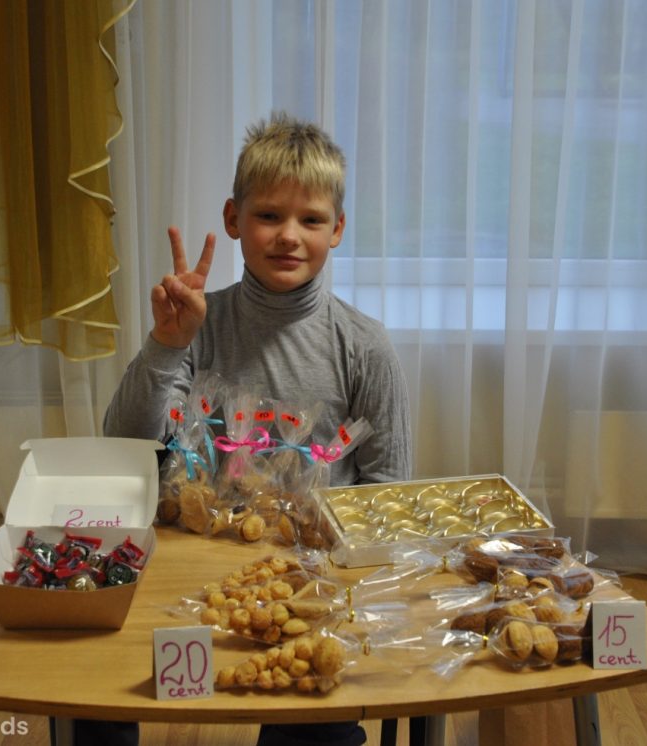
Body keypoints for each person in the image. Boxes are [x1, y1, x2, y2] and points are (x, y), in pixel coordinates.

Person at [91, 112, 413, 746]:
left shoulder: (365, 347)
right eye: (269, 215)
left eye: (311, 220)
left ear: (337, 229)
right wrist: (166, 344)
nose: (289, 236)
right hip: (183, 561)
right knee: (93, 696)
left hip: (308, 576)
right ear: (234, 218)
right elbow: (125, 447)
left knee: (316, 729)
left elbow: (386, 490)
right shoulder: (196, 321)